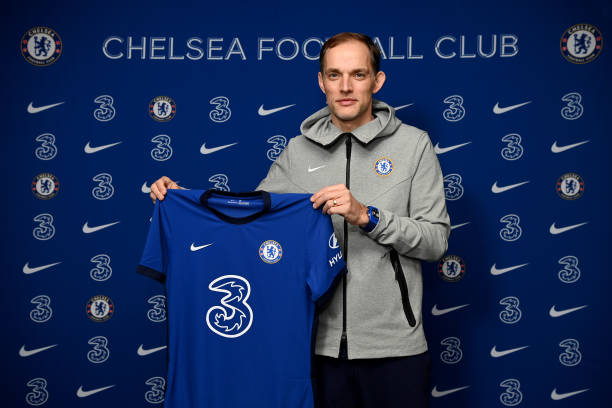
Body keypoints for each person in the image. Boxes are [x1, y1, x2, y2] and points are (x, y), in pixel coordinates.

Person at [150, 32, 450, 408]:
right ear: (321, 81)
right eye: (334, 74)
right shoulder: (298, 151)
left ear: (377, 80)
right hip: (313, 349)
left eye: (358, 74)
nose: (345, 87)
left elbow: (435, 240)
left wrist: (367, 216)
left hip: (395, 349)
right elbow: (247, 223)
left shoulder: (413, 145)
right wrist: (182, 201)